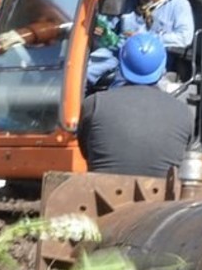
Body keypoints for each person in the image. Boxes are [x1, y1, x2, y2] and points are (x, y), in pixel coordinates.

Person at [77, 33, 194, 177]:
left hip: (101, 193)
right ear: (162, 68)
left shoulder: (94, 104)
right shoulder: (184, 112)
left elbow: (85, 150)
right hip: (164, 197)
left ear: (121, 62)